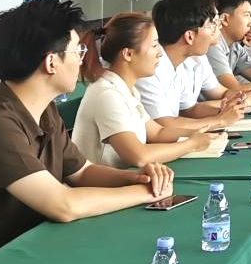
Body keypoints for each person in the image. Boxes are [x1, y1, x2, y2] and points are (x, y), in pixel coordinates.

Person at [0, 0, 173, 258]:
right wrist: (143, 193)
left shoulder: (44, 111)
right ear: (51, 63)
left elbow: (83, 172)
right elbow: (63, 205)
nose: (82, 60)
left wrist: (137, 179)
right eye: (77, 51)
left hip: (5, 248)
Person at [72, 12, 215, 168]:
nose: (160, 53)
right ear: (128, 54)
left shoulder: (127, 89)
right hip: (104, 182)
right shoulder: (107, 94)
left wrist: (198, 133)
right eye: (154, 45)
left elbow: (158, 132)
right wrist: (190, 144)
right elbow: (139, 156)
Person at [136, 0, 251, 131]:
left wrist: (227, 111)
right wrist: (220, 120)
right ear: (190, 37)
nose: (218, 28)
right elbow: (164, 124)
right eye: (212, 24)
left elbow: (191, 109)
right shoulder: (150, 68)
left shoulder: (179, 62)